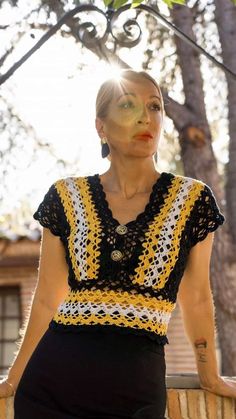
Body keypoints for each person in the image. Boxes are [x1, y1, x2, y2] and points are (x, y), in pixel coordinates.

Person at [0, 69, 235, 419]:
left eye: (155, 106)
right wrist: (13, 380)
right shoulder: (65, 196)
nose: (146, 117)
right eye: (128, 105)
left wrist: (210, 376)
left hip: (136, 388)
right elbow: (48, 298)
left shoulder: (192, 200)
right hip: (52, 385)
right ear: (101, 127)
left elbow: (198, 297)